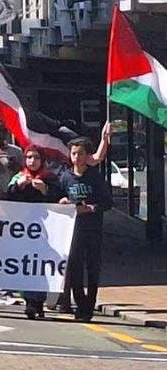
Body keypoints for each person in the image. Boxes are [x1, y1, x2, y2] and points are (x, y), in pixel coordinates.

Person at [59, 127, 112, 322]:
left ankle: (89, 306)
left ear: (86, 155)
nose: (77, 157)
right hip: (72, 231)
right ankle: (79, 304)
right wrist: (63, 202)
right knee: (74, 268)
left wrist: (90, 208)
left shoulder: (95, 177)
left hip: (93, 229)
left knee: (93, 268)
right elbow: (55, 198)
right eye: (74, 153)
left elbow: (108, 202)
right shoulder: (65, 177)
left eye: (80, 153)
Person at [5, 145, 64, 319]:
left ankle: (38, 301)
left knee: (41, 265)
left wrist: (45, 190)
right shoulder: (18, 177)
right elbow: (8, 201)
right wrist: (18, 187)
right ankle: (30, 302)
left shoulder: (49, 179)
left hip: (45, 230)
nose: (32, 161)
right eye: (29, 157)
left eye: (36, 158)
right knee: (27, 265)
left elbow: (59, 199)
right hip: (24, 230)